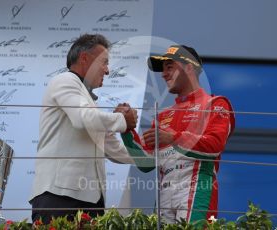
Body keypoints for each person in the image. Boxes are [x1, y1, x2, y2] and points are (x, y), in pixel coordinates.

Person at [121, 45, 235, 225]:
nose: (164, 74)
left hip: (198, 187)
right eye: (163, 69)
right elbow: (145, 162)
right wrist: (126, 129)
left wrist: (174, 138)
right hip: (164, 191)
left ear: (189, 67)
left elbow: (215, 145)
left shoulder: (215, 104)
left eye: (169, 67)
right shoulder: (162, 115)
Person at [29, 34, 137, 223]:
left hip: (90, 202)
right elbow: (82, 118)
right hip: (59, 198)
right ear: (85, 59)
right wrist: (122, 119)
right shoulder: (65, 80)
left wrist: (160, 155)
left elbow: (116, 151)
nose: (108, 70)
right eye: (104, 62)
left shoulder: (87, 102)